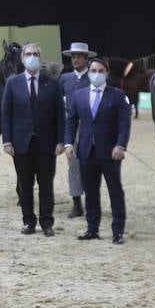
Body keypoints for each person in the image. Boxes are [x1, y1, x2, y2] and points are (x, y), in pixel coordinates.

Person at [64, 57, 132, 244]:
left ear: (107, 74)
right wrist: (69, 143)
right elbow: (71, 122)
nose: (97, 74)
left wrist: (121, 145)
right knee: (91, 193)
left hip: (111, 153)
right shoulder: (79, 95)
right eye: (93, 71)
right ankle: (92, 229)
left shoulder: (118, 96)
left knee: (115, 192)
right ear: (89, 72)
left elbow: (124, 124)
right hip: (86, 152)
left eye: (101, 71)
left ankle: (118, 231)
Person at [2, 42, 65, 236]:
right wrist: (7, 140)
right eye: (28, 54)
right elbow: (6, 114)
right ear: (22, 59)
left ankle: (47, 222)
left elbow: (60, 116)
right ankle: (28, 221)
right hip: (21, 143)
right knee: (25, 184)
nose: (32, 57)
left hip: (47, 144)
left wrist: (60, 140)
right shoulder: (12, 83)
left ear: (40, 57)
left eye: (35, 54)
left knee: (46, 184)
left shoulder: (52, 84)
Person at [58, 42, 95, 220]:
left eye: (79, 56)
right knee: (73, 164)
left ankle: (91, 202)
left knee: (90, 165)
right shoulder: (65, 79)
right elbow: (58, 103)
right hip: (70, 126)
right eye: (73, 56)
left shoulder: (94, 77)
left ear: (87, 59)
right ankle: (76, 204)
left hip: (90, 127)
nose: (75, 59)